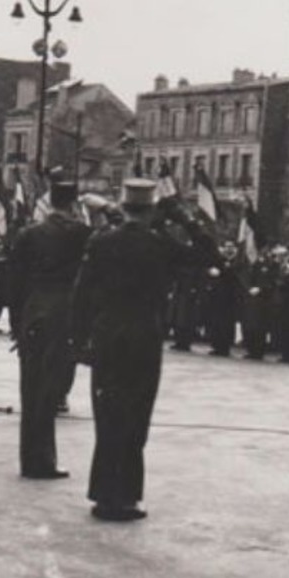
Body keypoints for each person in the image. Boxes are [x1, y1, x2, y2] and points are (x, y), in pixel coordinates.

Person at [71, 179, 215, 521]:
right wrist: (184, 218)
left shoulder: (102, 242)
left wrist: (78, 341)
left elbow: (81, 294)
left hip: (107, 337)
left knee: (107, 417)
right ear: (152, 209)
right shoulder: (160, 245)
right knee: (136, 417)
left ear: (123, 207)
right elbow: (208, 254)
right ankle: (127, 497)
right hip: (144, 338)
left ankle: (103, 495)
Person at [7, 179, 91, 480]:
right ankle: (44, 461)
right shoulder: (80, 233)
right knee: (50, 390)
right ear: (73, 205)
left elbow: (14, 282)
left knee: (30, 388)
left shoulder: (28, 234)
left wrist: (16, 324)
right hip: (62, 314)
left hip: (32, 312)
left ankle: (30, 459)